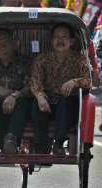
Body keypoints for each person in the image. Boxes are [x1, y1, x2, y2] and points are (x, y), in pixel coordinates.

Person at [31, 24, 91, 154]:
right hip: (47, 103)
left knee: (65, 102)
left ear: (71, 41)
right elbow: (35, 81)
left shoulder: (79, 59)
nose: (60, 40)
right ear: (52, 41)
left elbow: (89, 81)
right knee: (36, 104)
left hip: (69, 105)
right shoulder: (42, 59)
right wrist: (40, 96)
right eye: (56, 37)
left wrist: (75, 81)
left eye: (64, 37)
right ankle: (42, 146)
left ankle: (58, 144)